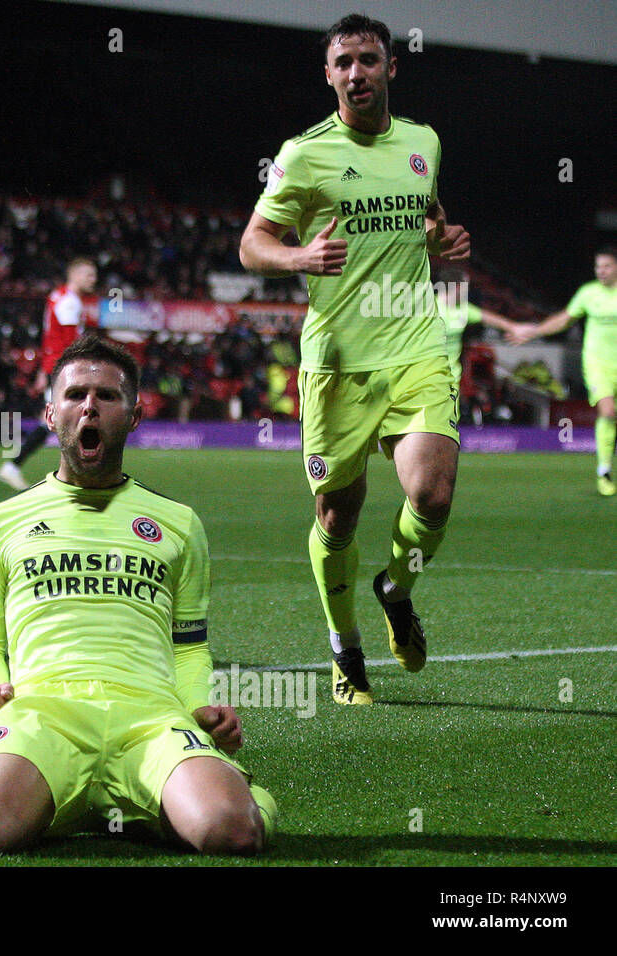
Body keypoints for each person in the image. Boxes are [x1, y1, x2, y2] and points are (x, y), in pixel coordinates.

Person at [0, 334, 276, 854]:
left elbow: (189, 645)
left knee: (233, 832)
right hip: (42, 714)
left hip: (149, 717)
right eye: (76, 395)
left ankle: (176, 793)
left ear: (135, 415)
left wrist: (197, 709)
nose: (90, 407)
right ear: (51, 414)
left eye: (107, 396)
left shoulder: (180, 525)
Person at [238, 14, 471, 704]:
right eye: (343, 62)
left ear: (390, 68)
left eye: (369, 59)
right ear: (329, 74)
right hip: (338, 363)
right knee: (337, 517)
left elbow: (427, 217)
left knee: (432, 494)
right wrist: (298, 257)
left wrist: (440, 240)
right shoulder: (304, 154)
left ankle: (397, 588)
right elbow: (252, 244)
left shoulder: (423, 142)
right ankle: (345, 647)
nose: (356, 72)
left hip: (415, 346)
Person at [508, 248, 617, 496]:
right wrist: (534, 331)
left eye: (607, 266)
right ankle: (604, 470)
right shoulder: (589, 293)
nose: (601, 271)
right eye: (598, 266)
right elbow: (564, 319)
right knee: (608, 411)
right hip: (598, 364)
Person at [0, 258, 99, 491]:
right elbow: (72, 342)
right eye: (90, 275)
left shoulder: (58, 296)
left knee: (60, 419)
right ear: (75, 275)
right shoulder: (70, 302)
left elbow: (51, 338)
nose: (94, 280)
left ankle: (16, 467)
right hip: (65, 369)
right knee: (69, 418)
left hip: (57, 367)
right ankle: (76, 472)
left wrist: (44, 370)